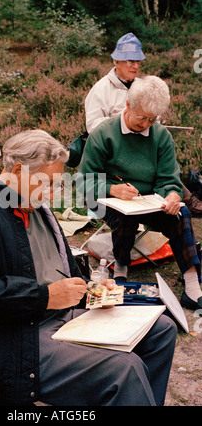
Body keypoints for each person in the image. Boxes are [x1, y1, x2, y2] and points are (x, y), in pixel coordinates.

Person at [0, 129, 177, 406]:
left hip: (61, 319)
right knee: (124, 368)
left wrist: (93, 292)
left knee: (161, 331)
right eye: (46, 183)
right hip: (11, 340)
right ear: (17, 171)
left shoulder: (37, 209)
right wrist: (46, 296)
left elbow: (63, 272)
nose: (51, 193)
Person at [79, 76, 202, 311]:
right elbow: (84, 179)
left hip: (150, 202)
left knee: (181, 214)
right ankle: (121, 271)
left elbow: (168, 179)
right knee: (125, 216)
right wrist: (112, 189)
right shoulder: (104, 132)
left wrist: (172, 195)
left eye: (152, 119)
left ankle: (192, 286)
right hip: (109, 201)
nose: (146, 124)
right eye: (142, 117)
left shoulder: (161, 136)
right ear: (128, 105)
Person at [84, 32, 202, 216]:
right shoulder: (101, 90)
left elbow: (154, 123)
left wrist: (146, 122)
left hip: (144, 153)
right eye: (130, 61)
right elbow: (93, 127)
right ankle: (189, 198)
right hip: (113, 157)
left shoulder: (144, 86)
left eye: (139, 61)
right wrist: (122, 124)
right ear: (116, 60)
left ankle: (179, 197)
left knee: (167, 172)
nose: (136, 66)